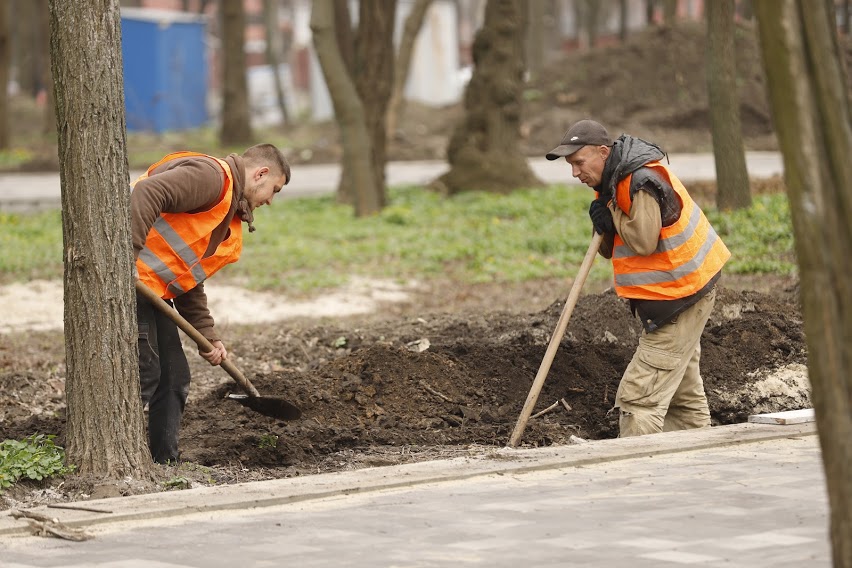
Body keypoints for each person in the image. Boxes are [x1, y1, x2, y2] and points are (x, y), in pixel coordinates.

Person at [546, 120, 730, 437]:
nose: (575, 173)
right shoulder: (612, 183)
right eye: (570, 166)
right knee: (681, 399)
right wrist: (605, 219)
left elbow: (643, 241)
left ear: (603, 152)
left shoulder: (640, 180)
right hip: (672, 294)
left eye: (578, 162)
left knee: (639, 398)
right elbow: (610, 247)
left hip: (680, 294)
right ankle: (693, 462)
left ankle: (634, 471)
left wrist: (613, 215)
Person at [131, 144, 291, 462]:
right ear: (260, 173)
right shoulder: (212, 179)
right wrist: (123, 257)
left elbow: (188, 277)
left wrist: (208, 336)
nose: (270, 200)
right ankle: (111, 455)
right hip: (127, 280)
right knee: (146, 371)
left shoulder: (226, 210)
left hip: (149, 287)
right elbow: (147, 193)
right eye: (274, 189)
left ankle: (164, 462)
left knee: (174, 376)